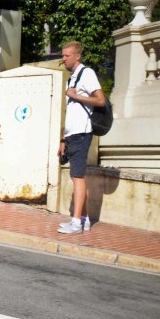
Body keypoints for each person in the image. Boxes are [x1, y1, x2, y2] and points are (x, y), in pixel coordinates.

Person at [57, 41, 105, 235]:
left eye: (67, 55)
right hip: (71, 135)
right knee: (76, 176)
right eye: (63, 55)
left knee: (78, 177)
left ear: (77, 56)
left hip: (82, 134)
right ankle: (82, 220)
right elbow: (70, 112)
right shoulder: (72, 79)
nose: (64, 58)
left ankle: (76, 223)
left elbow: (100, 100)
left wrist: (75, 96)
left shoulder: (87, 74)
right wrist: (62, 139)